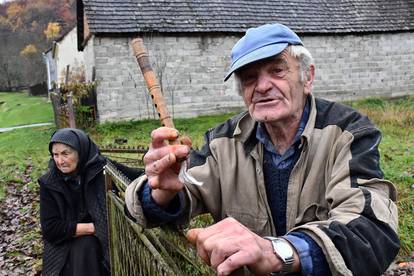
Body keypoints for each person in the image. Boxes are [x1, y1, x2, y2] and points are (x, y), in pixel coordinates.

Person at [125, 23, 399, 276]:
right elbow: (153, 202)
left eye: (277, 70)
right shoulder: (223, 143)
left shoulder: (347, 134)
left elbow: (372, 228)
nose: (263, 86)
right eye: (249, 77)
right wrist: (160, 192)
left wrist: (277, 251)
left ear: (307, 77)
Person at [39, 128, 143, 276]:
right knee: (86, 246)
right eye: (55, 155)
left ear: (81, 152)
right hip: (65, 246)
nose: (60, 161)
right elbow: (51, 229)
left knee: (91, 248)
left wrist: (159, 166)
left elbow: (135, 177)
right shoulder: (49, 182)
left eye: (65, 154)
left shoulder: (101, 168)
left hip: (105, 243)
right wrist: (95, 228)